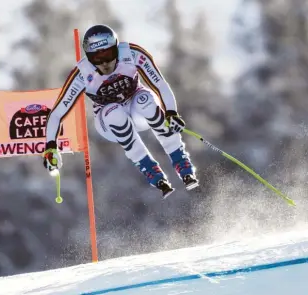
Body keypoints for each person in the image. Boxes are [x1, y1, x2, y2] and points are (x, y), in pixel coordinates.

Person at [43, 24, 198, 198]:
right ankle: (151, 171)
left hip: (136, 106)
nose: (104, 63)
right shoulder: (82, 74)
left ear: (116, 48)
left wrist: (171, 113)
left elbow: (160, 84)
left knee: (144, 100)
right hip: (107, 119)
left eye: (108, 54)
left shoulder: (131, 54)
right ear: (88, 57)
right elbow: (56, 113)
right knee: (114, 111)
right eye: (96, 57)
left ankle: (182, 163)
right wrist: (50, 147)